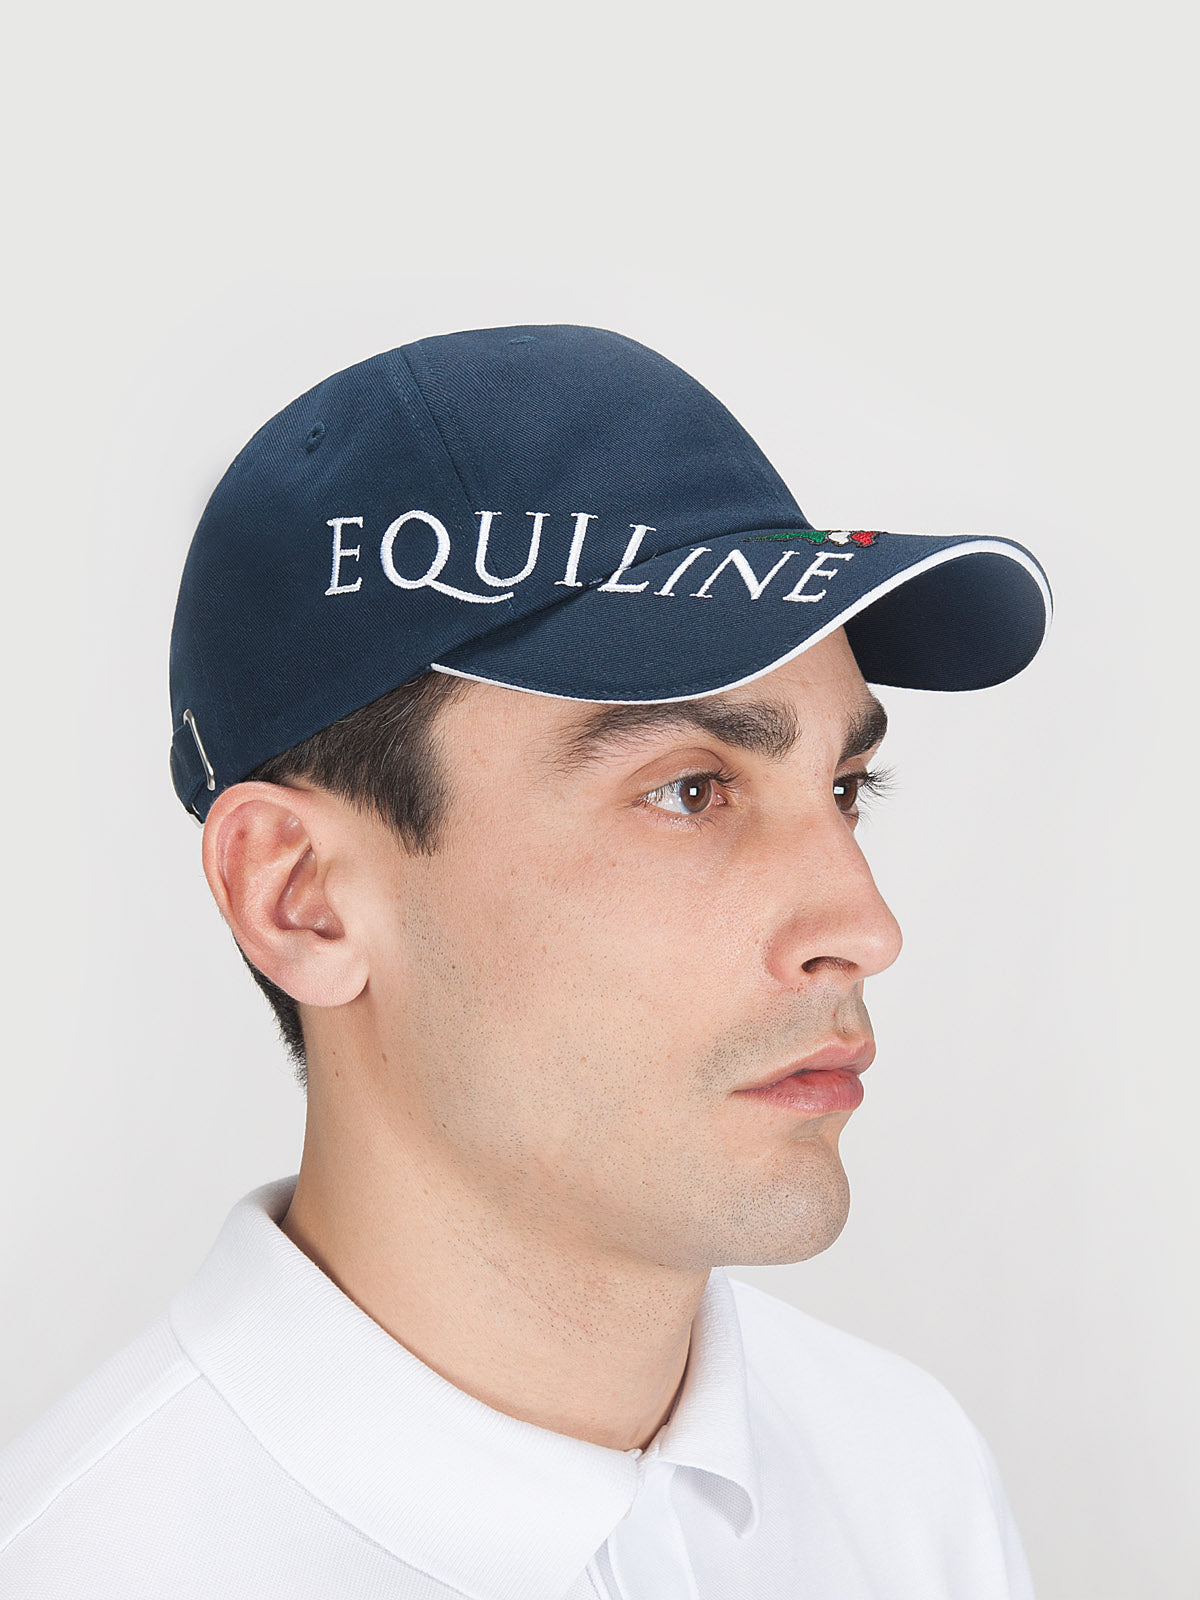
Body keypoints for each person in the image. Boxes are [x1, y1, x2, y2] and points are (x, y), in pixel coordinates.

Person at [0, 324, 1051, 1598]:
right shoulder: (80, 1564)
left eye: (845, 786)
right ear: (301, 898)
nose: (866, 926)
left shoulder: (904, 1477)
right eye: (688, 790)